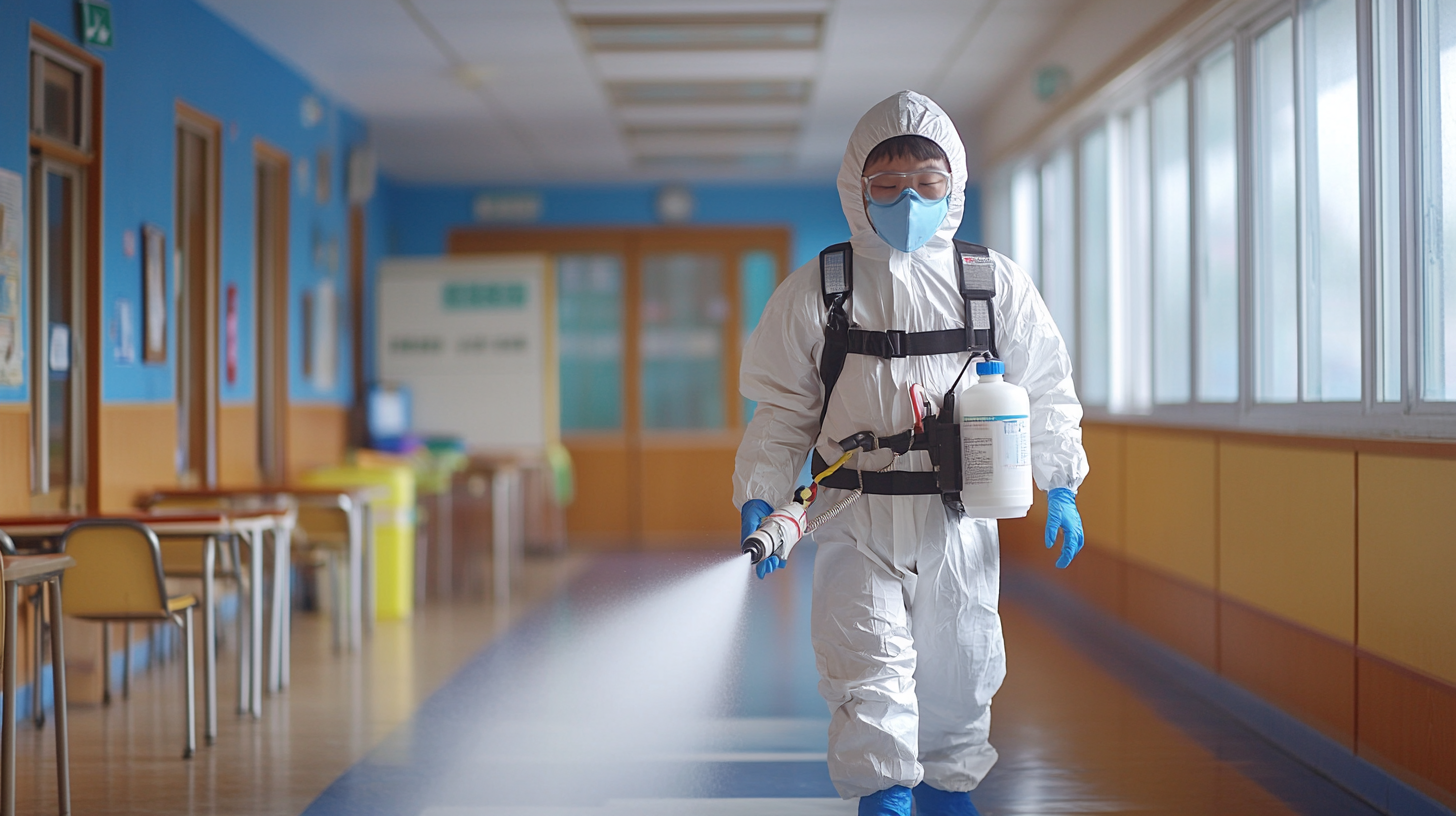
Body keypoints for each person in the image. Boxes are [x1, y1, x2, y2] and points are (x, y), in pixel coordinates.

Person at [732, 90, 1088, 816]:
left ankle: (949, 797)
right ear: (856, 190)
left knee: (960, 679)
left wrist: (1061, 484)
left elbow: (1046, 385)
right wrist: (760, 496)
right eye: (886, 184)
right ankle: (886, 800)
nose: (906, 199)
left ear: (952, 185)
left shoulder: (991, 284)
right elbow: (782, 411)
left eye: (926, 182)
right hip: (851, 519)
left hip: (960, 520)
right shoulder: (820, 290)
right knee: (870, 678)